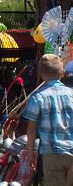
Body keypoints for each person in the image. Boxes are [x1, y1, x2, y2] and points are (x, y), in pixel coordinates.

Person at [24, 53, 73, 186]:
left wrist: (31, 153)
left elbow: (31, 130)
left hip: (52, 153)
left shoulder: (37, 97)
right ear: (62, 73)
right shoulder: (72, 94)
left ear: (41, 75)